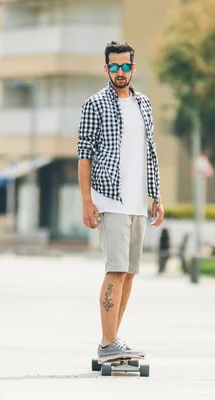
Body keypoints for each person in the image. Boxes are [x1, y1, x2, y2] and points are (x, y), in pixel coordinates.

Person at [76, 41, 164, 364]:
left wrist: (155, 197)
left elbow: (149, 153)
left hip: (138, 202)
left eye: (126, 66)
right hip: (109, 199)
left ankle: (113, 343)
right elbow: (84, 155)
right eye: (114, 67)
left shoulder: (144, 105)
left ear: (133, 68)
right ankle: (108, 342)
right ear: (106, 69)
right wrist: (87, 201)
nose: (120, 72)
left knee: (129, 273)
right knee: (115, 269)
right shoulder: (95, 104)